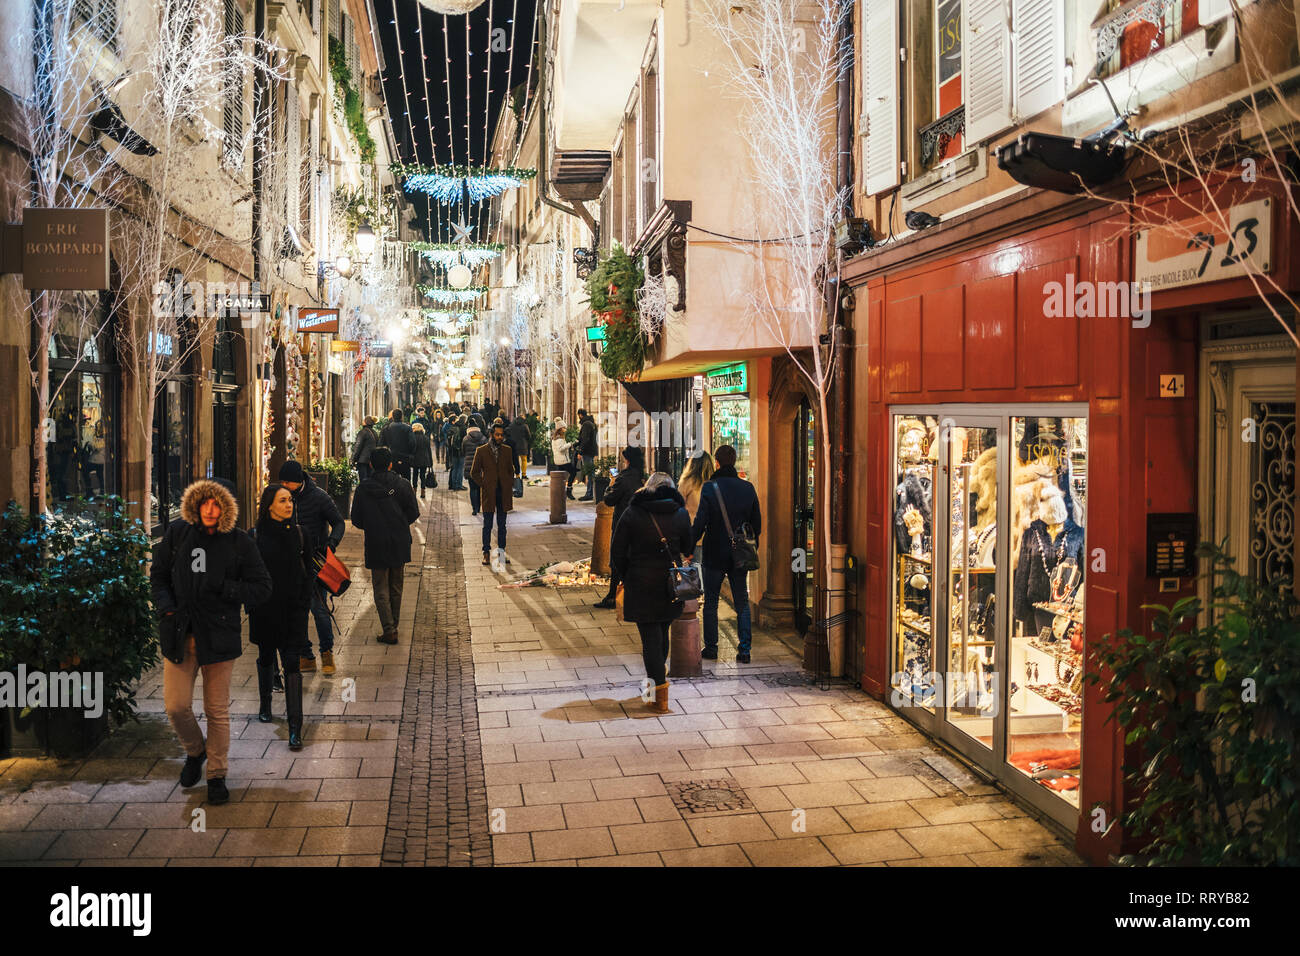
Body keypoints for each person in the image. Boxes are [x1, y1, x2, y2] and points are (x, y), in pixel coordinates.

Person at [151, 479, 272, 805]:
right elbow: (158, 575)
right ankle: (196, 751)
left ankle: (216, 774)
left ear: (226, 508)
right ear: (196, 503)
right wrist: (167, 609)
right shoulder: (178, 533)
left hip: (219, 633)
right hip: (181, 632)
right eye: (205, 502)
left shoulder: (239, 543)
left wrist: (228, 589)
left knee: (216, 710)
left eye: (217, 504)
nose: (209, 509)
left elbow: (262, 587)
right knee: (176, 706)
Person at [611, 472, 694, 715]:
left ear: (647, 488)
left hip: (641, 582)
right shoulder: (679, 513)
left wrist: (628, 574)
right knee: (661, 632)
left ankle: (659, 696)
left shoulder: (633, 513)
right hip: (670, 584)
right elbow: (688, 547)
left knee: (650, 639)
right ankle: (655, 690)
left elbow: (617, 551)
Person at [248, 483, 312, 751]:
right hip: (264, 609)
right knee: (265, 656)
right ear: (269, 505)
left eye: (290, 501)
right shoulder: (254, 536)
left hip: (293, 610)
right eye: (283, 501)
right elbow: (247, 573)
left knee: (292, 664)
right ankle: (265, 704)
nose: (289, 505)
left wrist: (304, 604)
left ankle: (295, 726)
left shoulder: (300, 534)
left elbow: (309, 572)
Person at [692, 444, 762, 663]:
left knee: (711, 602)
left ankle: (711, 648)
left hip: (714, 553)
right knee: (742, 602)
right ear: (734, 461)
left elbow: (700, 522)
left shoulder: (709, 487)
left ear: (718, 462)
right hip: (739, 554)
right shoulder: (748, 488)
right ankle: (745, 650)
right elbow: (756, 524)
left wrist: (688, 545)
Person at [277, 460, 345, 675]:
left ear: (298, 481)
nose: (284, 485)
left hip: (315, 563)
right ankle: (306, 656)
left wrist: (331, 544)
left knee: (319, 609)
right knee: (297, 612)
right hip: (290, 563)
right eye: (282, 481)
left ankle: (327, 654)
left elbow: (339, 522)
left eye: (288, 481)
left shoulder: (319, 498)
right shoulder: (283, 497)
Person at [350, 447, 420, 645]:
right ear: (390, 464)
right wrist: (398, 522)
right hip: (399, 540)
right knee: (396, 585)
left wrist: (373, 525)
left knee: (380, 587)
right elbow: (413, 512)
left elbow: (356, 519)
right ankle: (393, 627)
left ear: (371, 464)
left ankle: (389, 629)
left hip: (376, 541)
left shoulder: (364, 488)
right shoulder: (403, 485)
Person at [594, 446, 646, 609]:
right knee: (632, 559)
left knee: (617, 559)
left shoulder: (623, 479)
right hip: (639, 524)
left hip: (623, 523)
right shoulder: (642, 477)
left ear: (628, 460)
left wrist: (611, 484)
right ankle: (632, 595)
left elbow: (609, 500)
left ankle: (613, 596)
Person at [469, 420, 518, 567]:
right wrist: (484, 483)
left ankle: (502, 553)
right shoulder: (482, 450)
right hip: (489, 493)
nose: (499, 437)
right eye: (497, 435)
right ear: (491, 435)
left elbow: (511, 469)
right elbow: (474, 472)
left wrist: (508, 482)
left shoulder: (507, 450)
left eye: (501, 435)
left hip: (503, 492)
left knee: (502, 525)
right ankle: (486, 553)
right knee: (487, 524)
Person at [677, 450, 715, 566]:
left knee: (696, 573)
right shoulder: (716, 483)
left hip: (693, 535)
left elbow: (678, 506)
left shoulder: (687, 483)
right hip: (713, 535)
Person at [461, 415, 489, 516]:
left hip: (469, 466)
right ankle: (479, 506)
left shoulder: (465, 439)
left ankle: (474, 508)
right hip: (480, 467)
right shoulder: (483, 438)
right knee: (480, 487)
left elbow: (463, 452)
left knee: (472, 488)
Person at [381, 408, 416, 482]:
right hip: (405, 457)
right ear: (401, 417)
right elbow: (412, 443)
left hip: (391, 458)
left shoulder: (386, 429)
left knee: (391, 480)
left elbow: (381, 444)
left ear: (392, 417)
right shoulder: (408, 428)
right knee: (406, 480)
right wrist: (410, 454)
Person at [576, 409, 599, 499]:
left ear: (580, 415)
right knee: (590, 472)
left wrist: (580, 451)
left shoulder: (586, 424)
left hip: (587, 452)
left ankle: (589, 494)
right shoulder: (591, 423)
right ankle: (590, 493)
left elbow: (585, 439)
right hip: (591, 451)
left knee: (589, 472)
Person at [551, 424, 576, 498]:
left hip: (558, 460)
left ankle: (561, 493)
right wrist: (570, 444)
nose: (565, 429)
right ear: (560, 429)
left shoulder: (555, 438)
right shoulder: (559, 439)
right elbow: (561, 449)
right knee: (573, 472)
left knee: (561, 477)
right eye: (564, 428)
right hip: (563, 460)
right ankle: (568, 490)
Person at [351, 415, 378, 483]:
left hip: (363, 461)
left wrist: (353, 459)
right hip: (372, 461)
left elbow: (357, 446)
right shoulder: (375, 433)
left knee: (363, 481)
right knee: (371, 481)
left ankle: (364, 493)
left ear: (366, 422)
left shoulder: (363, 432)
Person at [445, 414, 467, 490]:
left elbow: (448, 439)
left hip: (453, 451)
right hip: (461, 451)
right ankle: (459, 485)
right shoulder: (464, 428)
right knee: (460, 468)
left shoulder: (452, 427)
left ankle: (453, 485)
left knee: (454, 468)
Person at [411, 422, 433, 499]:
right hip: (424, 459)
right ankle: (423, 492)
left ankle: (414, 491)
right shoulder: (426, 437)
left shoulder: (412, 437)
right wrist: (431, 462)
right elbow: (429, 450)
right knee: (423, 475)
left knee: (415, 475)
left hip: (415, 460)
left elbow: (411, 450)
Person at [507, 415, 531, 479]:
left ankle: (517, 475)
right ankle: (524, 474)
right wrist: (527, 441)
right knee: (524, 460)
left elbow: (507, 433)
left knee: (515, 460)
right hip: (523, 445)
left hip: (514, 445)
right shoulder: (525, 426)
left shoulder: (511, 426)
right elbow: (528, 436)